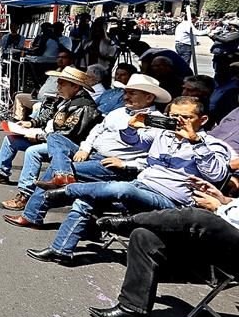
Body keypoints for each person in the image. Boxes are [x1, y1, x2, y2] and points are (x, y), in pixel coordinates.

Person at [27, 96, 232, 264]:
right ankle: (60, 250)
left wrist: (195, 141)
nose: (178, 121)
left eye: (185, 117)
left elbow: (217, 174)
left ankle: (66, 190)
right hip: (140, 186)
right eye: (173, 116)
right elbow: (133, 141)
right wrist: (132, 126)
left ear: (202, 120)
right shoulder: (163, 135)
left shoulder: (212, 145)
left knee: (122, 188)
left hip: (170, 201)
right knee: (87, 199)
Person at [6, 74, 168, 228]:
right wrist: (85, 148)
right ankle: (63, 175)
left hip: (111, 163)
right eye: (126, 92)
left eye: (132, 93)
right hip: (92, 153)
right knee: (55, 138)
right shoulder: (119, 112)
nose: (126, 96)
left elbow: (155, 157)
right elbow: (97, 131)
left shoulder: (156, 122)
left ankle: (33, 214)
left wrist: (126, 164)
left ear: (149, 97)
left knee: (54, 169)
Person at [89, 178, 239, 317]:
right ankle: (132, 309)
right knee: (143, 236)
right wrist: (225, 200)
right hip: (218, 240)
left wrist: (219, 208)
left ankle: (128, 221)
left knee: (201, 217)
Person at [0, 67, 100, 211]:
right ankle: (1, 173)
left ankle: (25, 194)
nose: (58, 86)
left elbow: (66, 135)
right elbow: (49, 118)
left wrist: (38, 136)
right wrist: (31, 123)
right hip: (50, 137)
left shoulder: (84, 107)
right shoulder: (66, 100)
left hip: (67, 146)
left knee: (33, 152)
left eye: (62, 83)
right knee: (11, 140)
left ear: (75, 86)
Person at [12, 50, 73, 120]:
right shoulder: (57, 70)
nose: (60, 59)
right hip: (39, 97)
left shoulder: (71, 72)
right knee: (19, 97)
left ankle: (33, 125)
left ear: (70, 60)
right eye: (58, 57)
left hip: (51, 101)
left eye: (63, 57)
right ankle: (17, 120)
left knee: (37, 106)